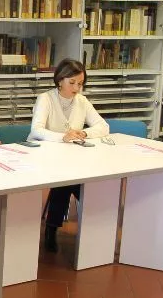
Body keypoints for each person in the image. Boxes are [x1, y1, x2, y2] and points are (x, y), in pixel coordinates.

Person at [29, 58, 109, 252]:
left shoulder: (82, 101)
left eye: (80, 84)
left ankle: (53, 227)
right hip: (42, 156)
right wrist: (62, 137)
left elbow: (103, 126)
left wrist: (84, 133)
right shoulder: (46, 99)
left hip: (70, 158)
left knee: (74, 180)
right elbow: (37, 130)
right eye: (72, 82)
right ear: (60, 80)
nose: (76, 88)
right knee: (68, 180)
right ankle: (58, 227)